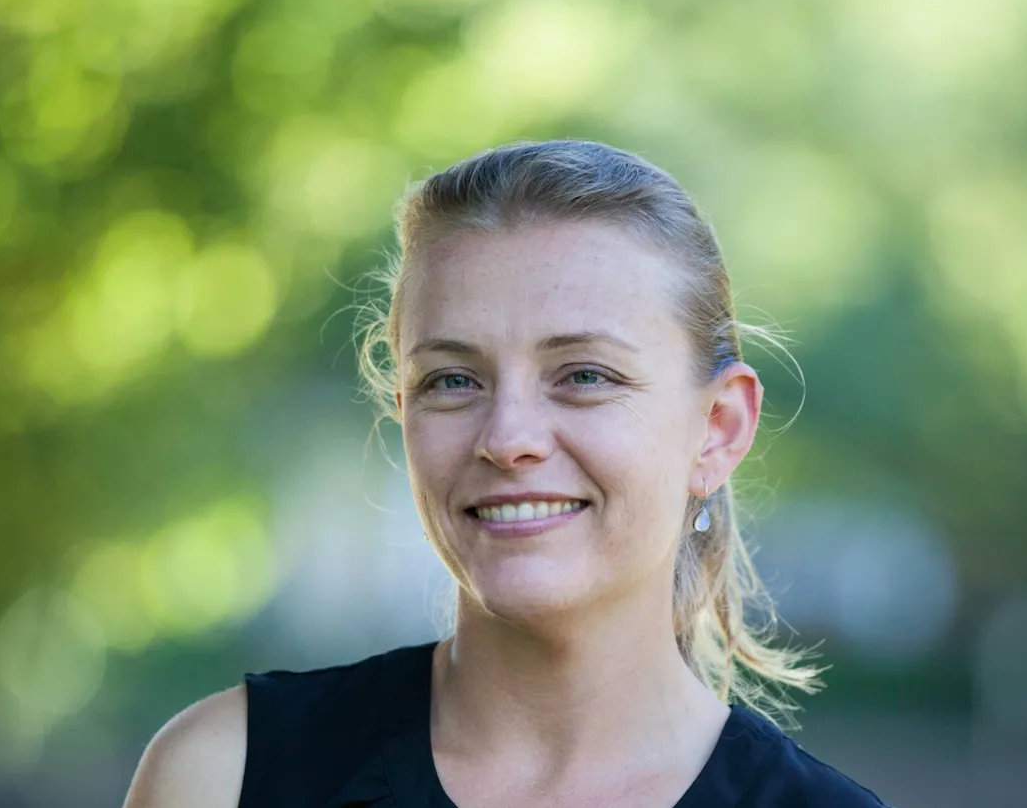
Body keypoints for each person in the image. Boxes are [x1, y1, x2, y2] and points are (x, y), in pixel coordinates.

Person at [122, 139, 891, 807]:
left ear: (718, 428)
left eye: (585, 375)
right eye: (453, 380)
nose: (508, 438)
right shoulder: (224, 779)